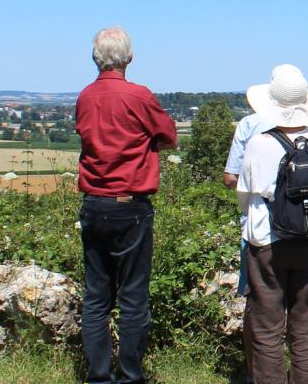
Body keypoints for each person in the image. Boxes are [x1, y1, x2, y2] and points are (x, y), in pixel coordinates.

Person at [75, 26, 178, 384]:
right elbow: (169, 136)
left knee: (96, 296)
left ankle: (98, 376)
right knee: (133, 297)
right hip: (131, 205)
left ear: (95, 58)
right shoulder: (139, 96)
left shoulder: (86, 97)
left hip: (94, 204)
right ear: (130, 58)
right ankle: (131, 375)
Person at [237, 66, 308, 384]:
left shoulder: (259, 144)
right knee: (307, 331)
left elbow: (244, 194)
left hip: (268, 243)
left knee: (267, 329)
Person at [223, 64, 308, 295]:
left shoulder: (250, 127)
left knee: (261, 303)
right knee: (303, 308)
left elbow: (232, 179)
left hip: (263, 228)